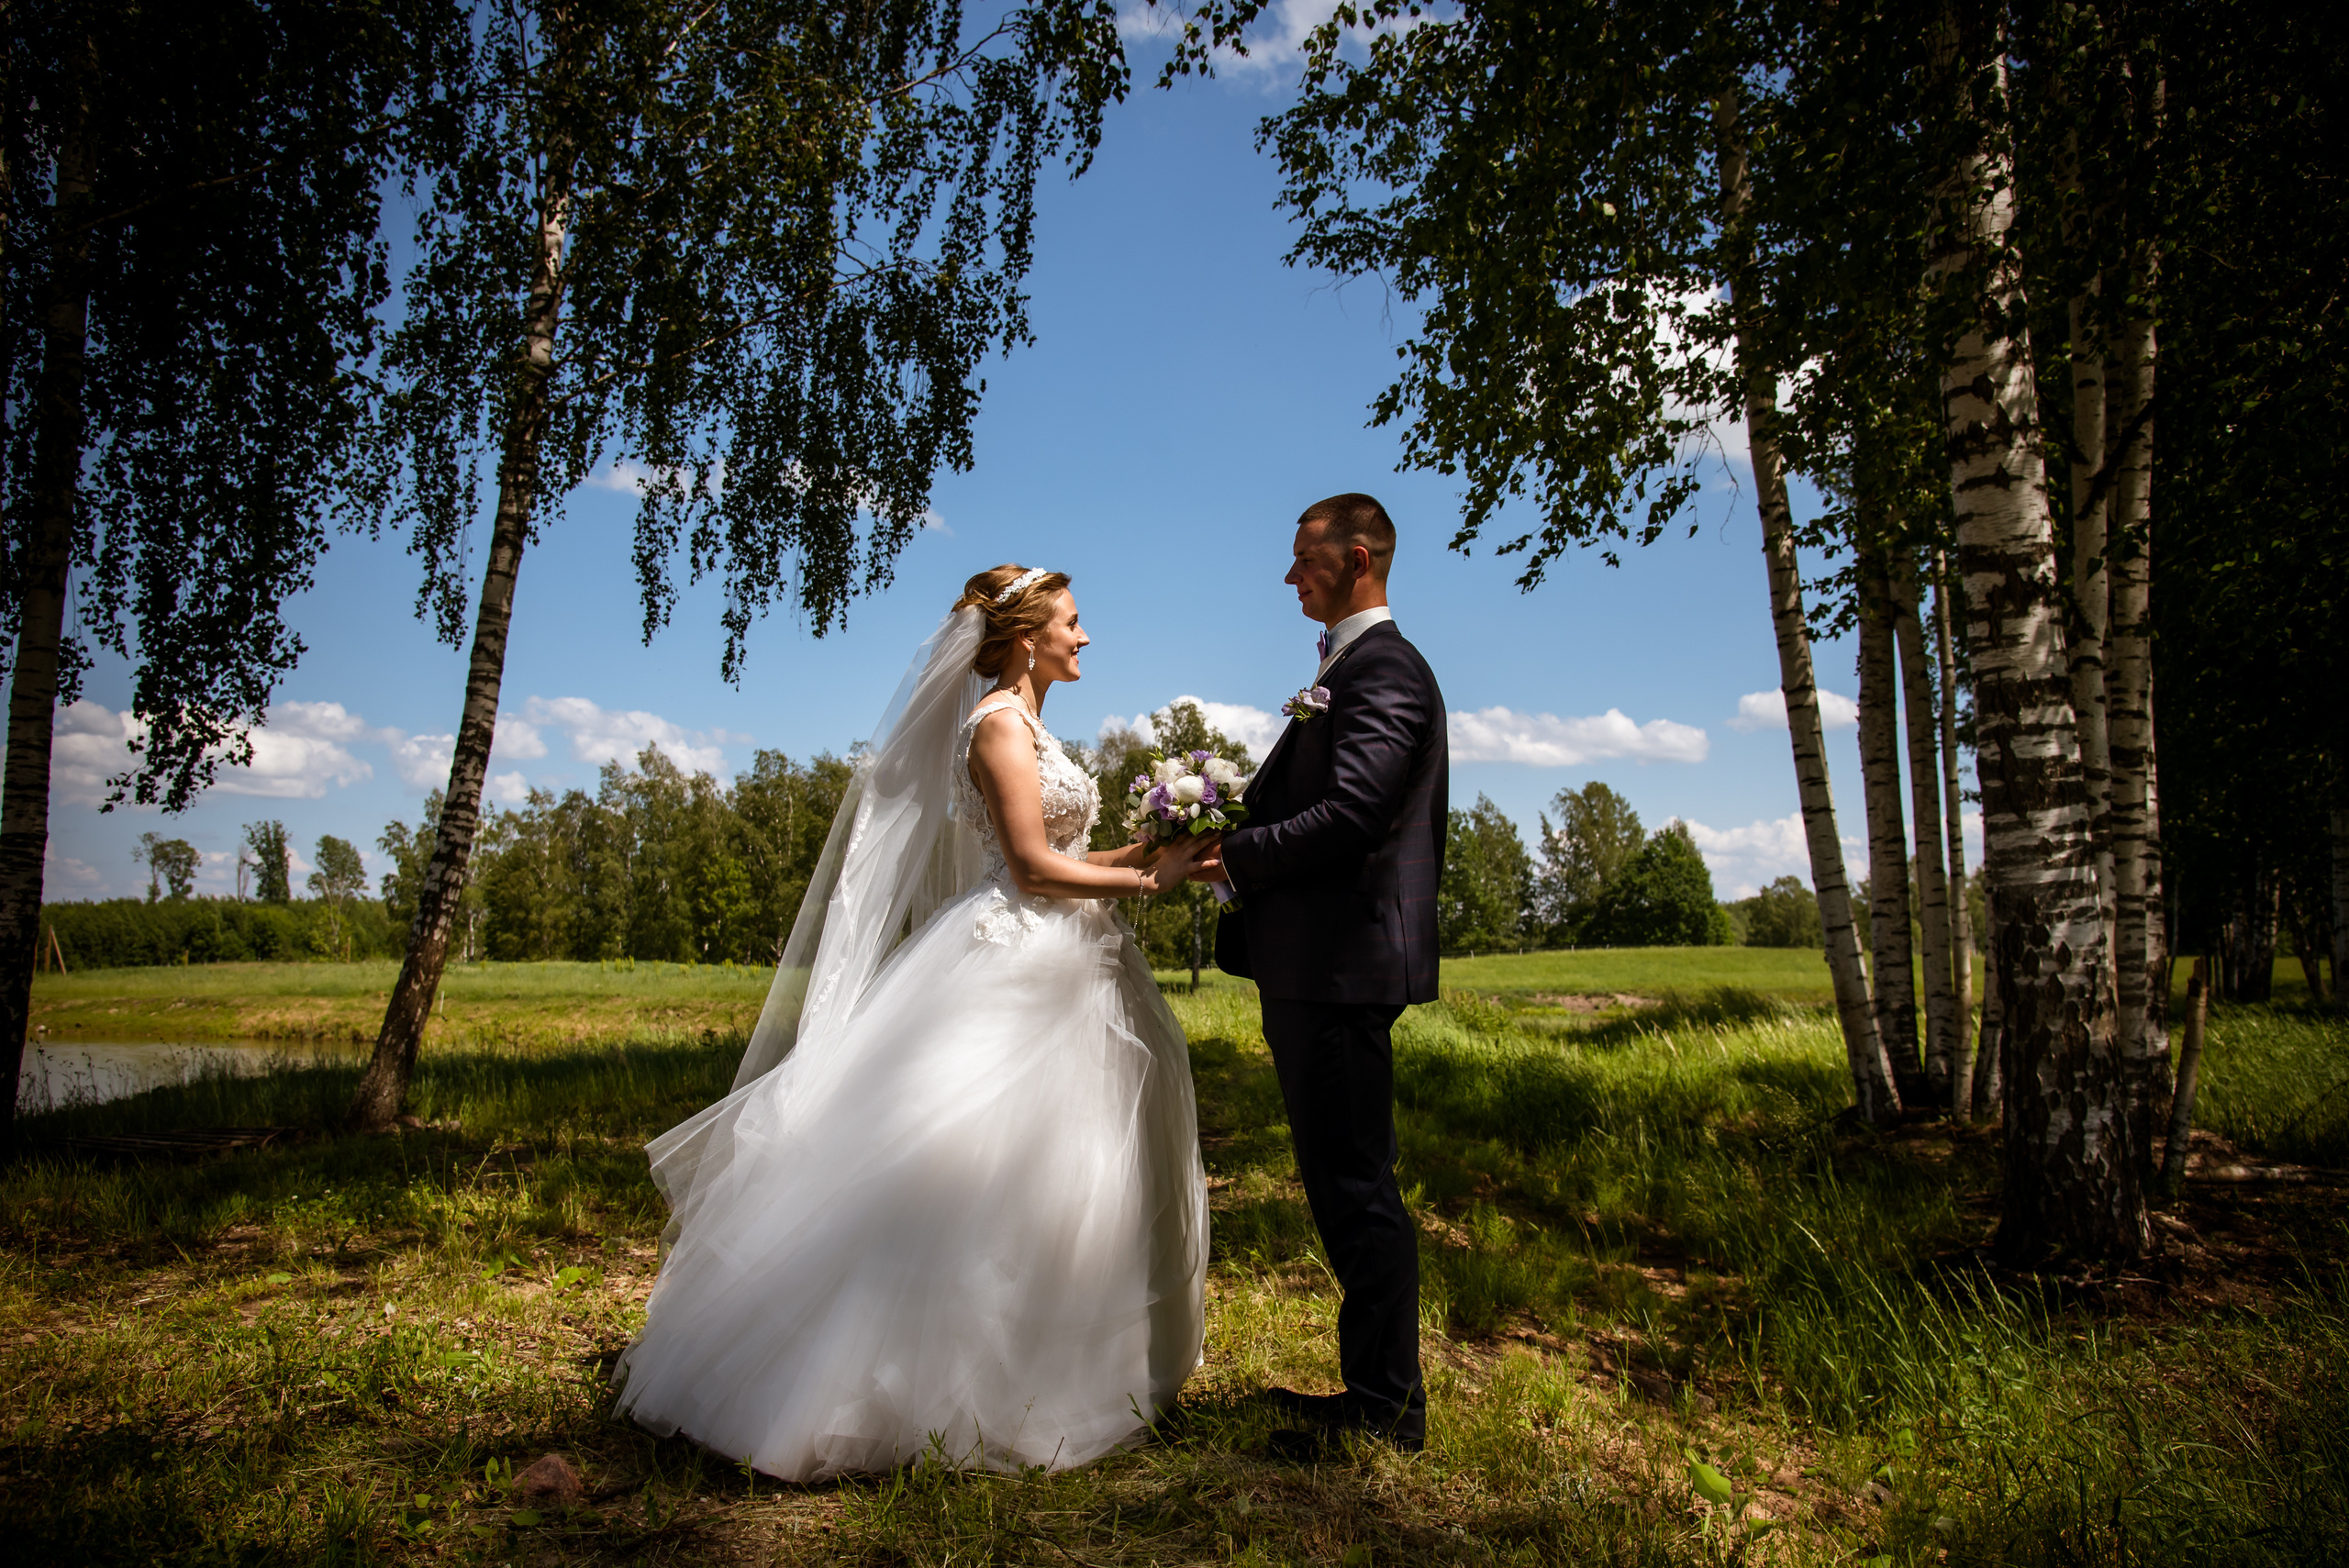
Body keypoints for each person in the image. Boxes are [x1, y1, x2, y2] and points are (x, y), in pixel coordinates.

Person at [612, 566, 1216, 1480]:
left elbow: (1064, 851)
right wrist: (1147, 882)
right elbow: (1027, 867)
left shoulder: (1035, 725)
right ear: (1025, 637)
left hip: (1074, 955)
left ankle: (1077, 1360)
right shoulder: (996, 725)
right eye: (1072, 621)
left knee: (1070, 1168)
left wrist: (1167, 845)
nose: (1084, 637)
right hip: (1016, 958)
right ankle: (905, 1383)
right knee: (962, 1166)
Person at [1194, 493, 1448, 1457]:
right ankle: (1374, 1393)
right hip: (1319, 965)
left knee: (1354, 1183)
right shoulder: (1352, 665)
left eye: (1304, 557)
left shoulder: (1384, 668)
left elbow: (1351, 813)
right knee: (1343, 1177)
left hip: (1340, 968)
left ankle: (1385, 1410)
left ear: (1357, 556)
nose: (1289, 575)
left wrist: (1237, 857)